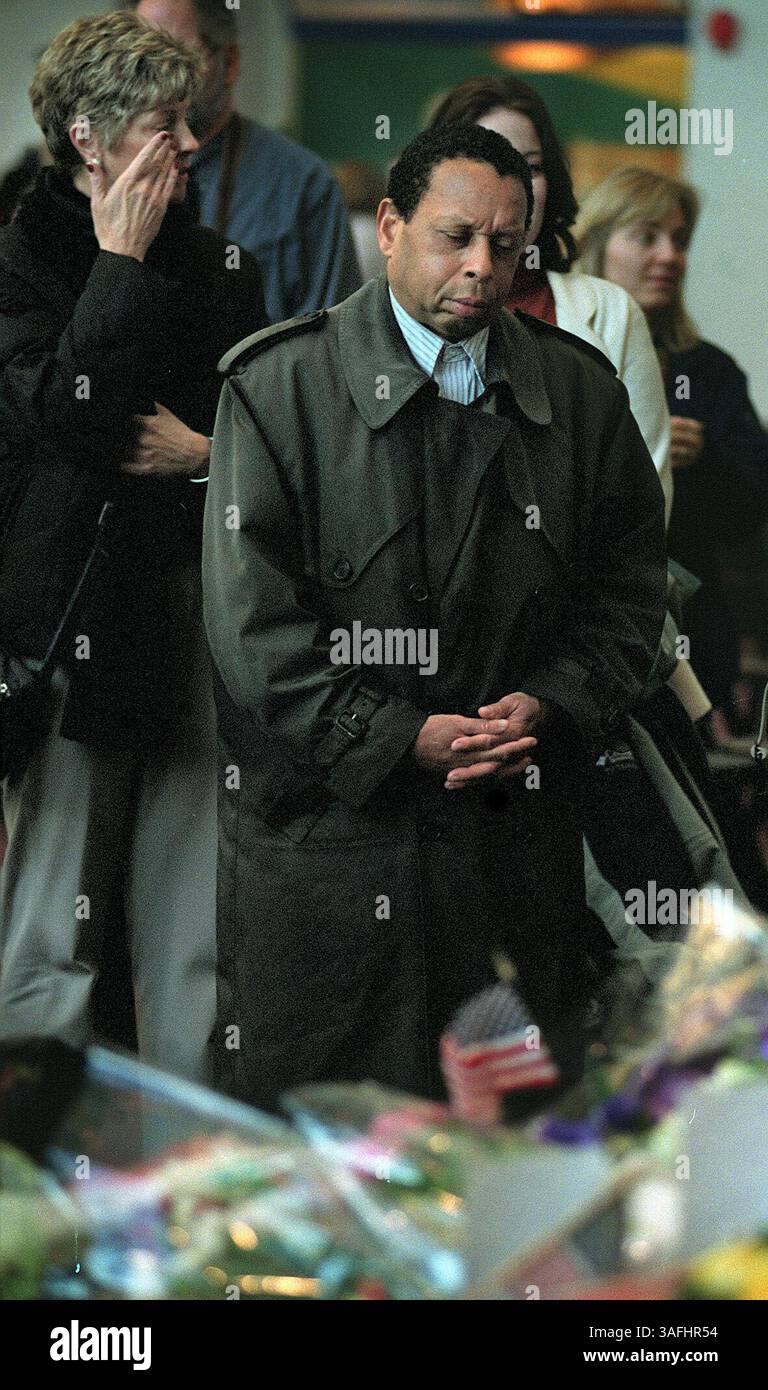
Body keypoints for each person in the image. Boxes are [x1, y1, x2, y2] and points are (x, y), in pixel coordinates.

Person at [202, 123, 668, 1110]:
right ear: (387, 227)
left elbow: (630, 592)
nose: (482, 266)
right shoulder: (280, 388)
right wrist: (398, 737)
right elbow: (253, 631)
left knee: (504, 1185)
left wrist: (552, 699)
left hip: (513, 853)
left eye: (507, 244)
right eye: (455, 236)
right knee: (326, 1190)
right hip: (328, 855)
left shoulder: (578, 394)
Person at [0, 11, 267, 1080]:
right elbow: (72, 418)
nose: (192, 146)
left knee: (192, 944)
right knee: (50, 943)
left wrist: (206, 451)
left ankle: (191, 1198)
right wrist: (117, 261)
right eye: (166, 126)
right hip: (69, 626)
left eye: (192, 123)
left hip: (191, 618)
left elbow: (264, 436)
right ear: (88, 138)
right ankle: (29, 1205)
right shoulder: (20, 259)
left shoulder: (217, 262)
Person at [427, 76, 672, 526]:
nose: (512, 182)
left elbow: (643, 498)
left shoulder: (612, 312)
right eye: (485, 160)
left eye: (530, 166)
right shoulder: (407, 307)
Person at [575, 168, 768, 734]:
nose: (669, 256)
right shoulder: (560, 352)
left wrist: (702, 457)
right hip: (588, 620)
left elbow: (755, 502)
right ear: (597, 243)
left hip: (694, 618)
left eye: (680, 240)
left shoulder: (707, 370)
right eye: (647, 236)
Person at [128, 0, 362, 321]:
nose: (156, 77)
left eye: (177, 56)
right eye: (141, 58)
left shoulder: (303, 185)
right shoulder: (108, 170)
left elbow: (333, 339)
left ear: (231, 62)